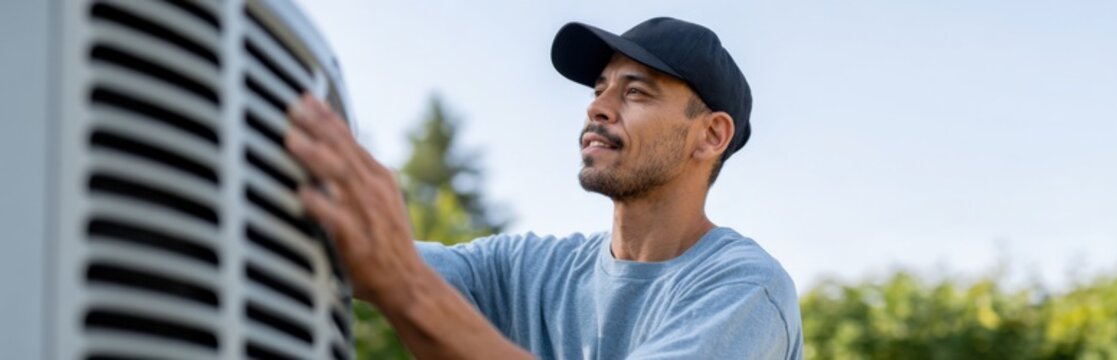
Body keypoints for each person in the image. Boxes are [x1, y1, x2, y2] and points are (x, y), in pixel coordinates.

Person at [284, 17, 802, 359]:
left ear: (711, 135)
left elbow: (399, 276)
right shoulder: (528, 271)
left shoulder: (745, 291)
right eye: (599, 89)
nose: (597, 106)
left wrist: (408, 288)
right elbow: (364, 257)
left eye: (636, 92)